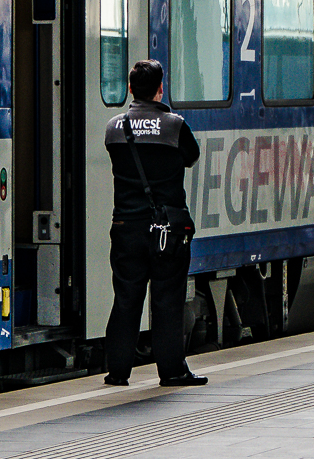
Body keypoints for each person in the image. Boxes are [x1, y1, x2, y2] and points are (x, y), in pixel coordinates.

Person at [102, 59, 206, 387]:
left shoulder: (114, 128)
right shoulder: (174, 125)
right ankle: (172, 370)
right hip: (167, 230)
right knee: (167, 299)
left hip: (126, 227)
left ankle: (117, 371)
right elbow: (191, 157)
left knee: (126, 297)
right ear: (161, 88)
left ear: (130, 88)